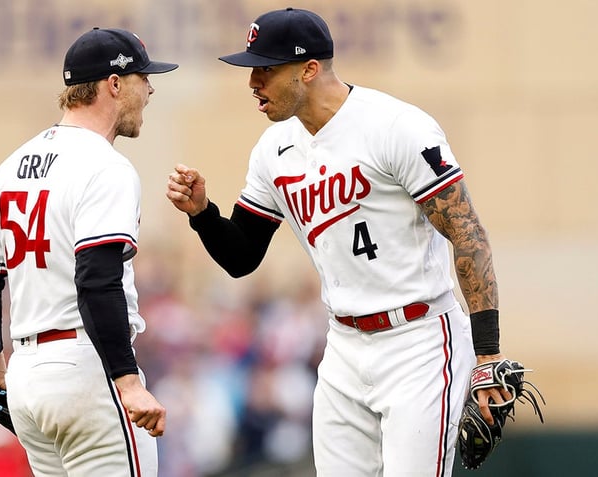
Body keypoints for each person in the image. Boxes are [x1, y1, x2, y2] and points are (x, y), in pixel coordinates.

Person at [166, 7, 510, 476]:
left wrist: (487, 352)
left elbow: (468, 235)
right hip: (344, 346)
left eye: (265, 69)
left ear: (309, 70)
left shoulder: (396, 126)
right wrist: (204, 215)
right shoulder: (273, 150)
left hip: (420, 340)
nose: (253, 83)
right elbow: (242, 256)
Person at [0, 27, 177, 476]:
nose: (151, 88)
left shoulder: (10, 167)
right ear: (114, 84)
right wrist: (127, 380)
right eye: (143, 77)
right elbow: (97, 278)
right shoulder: (106, 166)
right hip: (86, 370)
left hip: (26, 378)